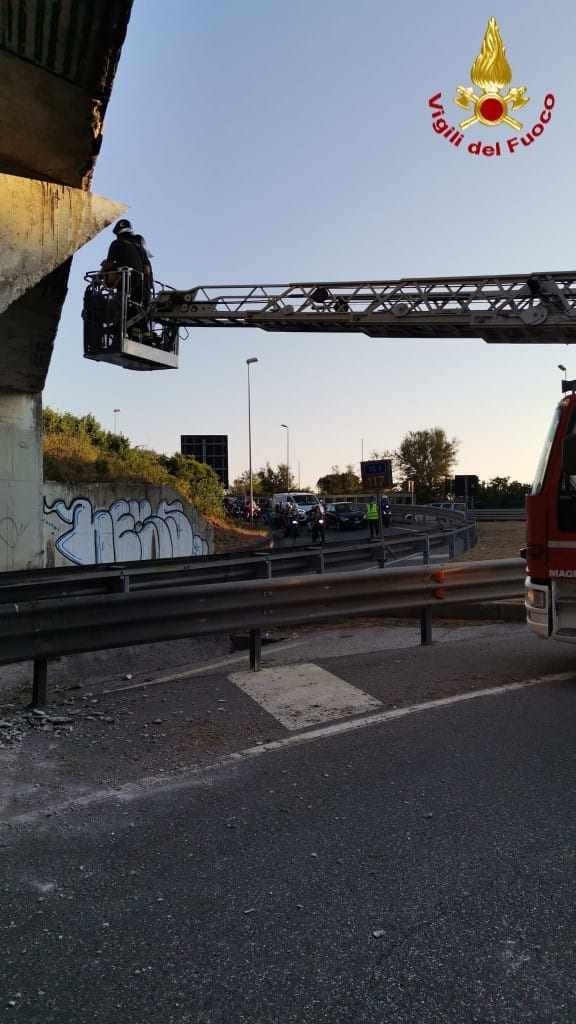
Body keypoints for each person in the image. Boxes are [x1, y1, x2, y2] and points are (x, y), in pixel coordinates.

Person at [101, 219, 153, 329]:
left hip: (126, 285)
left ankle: (122, 329)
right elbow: (147, 270)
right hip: (144, 289)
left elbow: (109, 264)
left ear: (117, 233)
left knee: (119, 309)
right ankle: (144, 333)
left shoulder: (117, 244)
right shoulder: (140, 247)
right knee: (139, 316)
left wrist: (100, 275)